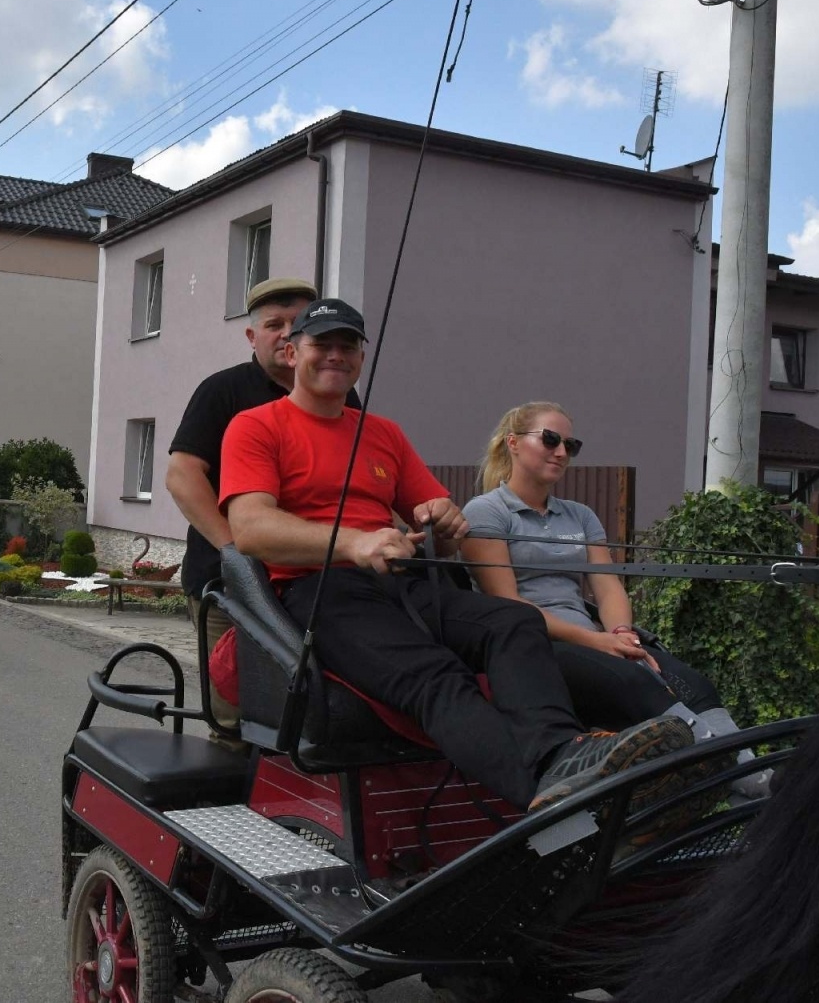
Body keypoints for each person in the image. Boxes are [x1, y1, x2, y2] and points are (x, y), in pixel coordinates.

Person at [219, 299, 692, 812]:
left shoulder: (383, 433)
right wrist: (355, 542)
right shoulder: (256, 426)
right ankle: (546, 801)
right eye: (322, 344)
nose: (336, 355)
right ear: (291, 353)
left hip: (400, 584)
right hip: (319, 592)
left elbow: (440, 518)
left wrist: (443, 520)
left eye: (348, 345)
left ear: (360, 357)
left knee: (514, 622)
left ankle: (562, 755)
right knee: (436, 677)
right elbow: (250, 530)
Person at [461, 401, 768, 798]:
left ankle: (741, 773)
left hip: (592, 638)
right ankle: (735, 777)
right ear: (514, 443)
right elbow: (510, 608)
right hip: (531, 647)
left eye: (571, 445)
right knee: (633, 683)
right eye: (551, 439)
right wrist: (601, 643)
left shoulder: (580, 516)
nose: (561, 452)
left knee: (693, 683)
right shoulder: (487, 512)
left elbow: (607, 588)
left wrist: (622, 634)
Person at [167, 277, 359, 726]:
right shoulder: (223, 391)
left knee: (305, 714)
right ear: (252, 337)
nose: (287, 333)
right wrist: (236, 552)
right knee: (238, 716)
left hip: (312, 584)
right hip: (230, 587)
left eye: (298, 324)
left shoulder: (342, 395)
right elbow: (183, 476)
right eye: (275, 324)